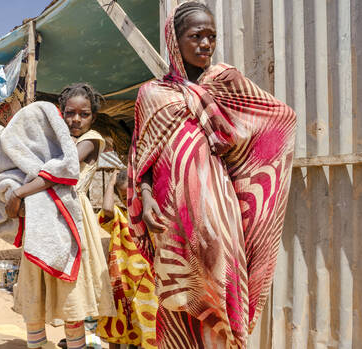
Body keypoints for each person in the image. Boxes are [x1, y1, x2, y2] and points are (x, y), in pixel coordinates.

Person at [127, 2, 296, 348]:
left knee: (222, 295)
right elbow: (140, 163)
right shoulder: (151, 95)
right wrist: (144, 199)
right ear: (175, 40)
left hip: (219, 213)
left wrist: (234, 146)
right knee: (177, 301)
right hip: (170, 217)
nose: (206, 44)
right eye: (196, 36)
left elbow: (280, 120)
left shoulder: (225, 82)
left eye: (212, 37)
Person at [8, 83, 116, 349]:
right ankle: (38, 344)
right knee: (36, 284)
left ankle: (75, 343)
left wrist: (19, 193)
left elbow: (62, 171)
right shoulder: (54, 141)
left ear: (93, 117)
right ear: (61, 113)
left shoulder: (90, 140)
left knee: (71, 292)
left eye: (84, 114)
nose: (76, 119)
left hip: (73, 223)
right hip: (43, 222)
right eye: (69, 113)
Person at [96, 169, 158, 349]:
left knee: (146, 328)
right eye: (123, 196)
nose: (128, 199)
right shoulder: (118, 216)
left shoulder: (150, 216)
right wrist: (110, 183)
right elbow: (106, 208)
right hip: (121, 282)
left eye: (132, 194)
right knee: (117, 330)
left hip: (146, 282)